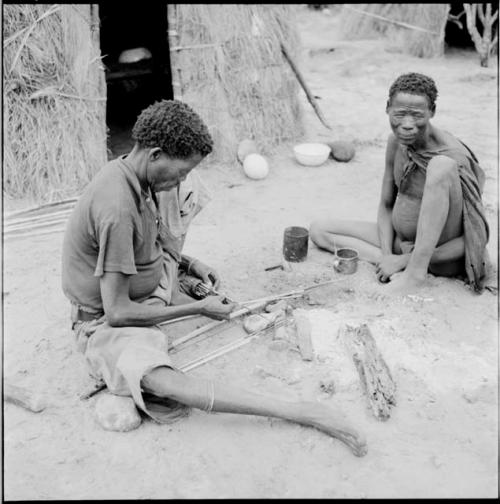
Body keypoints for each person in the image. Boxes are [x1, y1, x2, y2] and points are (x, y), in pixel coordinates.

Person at [62, 100, 366, 456]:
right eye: (180, 172)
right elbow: (116, 312)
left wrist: (187, 263)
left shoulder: (135, 177)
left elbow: (147, 242)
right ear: (157, 153)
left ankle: (178, 284)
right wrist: (198, 310)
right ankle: (301, 411)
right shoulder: (116, 207)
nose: (181, 181)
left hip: (145, 285)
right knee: (164, 383)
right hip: (104, 320)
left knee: (182, 261)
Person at [310, 72, 489, 295]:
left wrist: (407, 260)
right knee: (319, 230)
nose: (407, 124)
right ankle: (391, 263)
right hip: (399, 242)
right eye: (400, 114)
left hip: (438, 254)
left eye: (416, 115)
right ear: (387, 108)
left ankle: (414, 274)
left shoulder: (454, 156)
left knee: (441, 165)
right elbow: (386, 205)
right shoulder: (396, 143)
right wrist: (388, 255)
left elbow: (473, 239)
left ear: (432, 112)